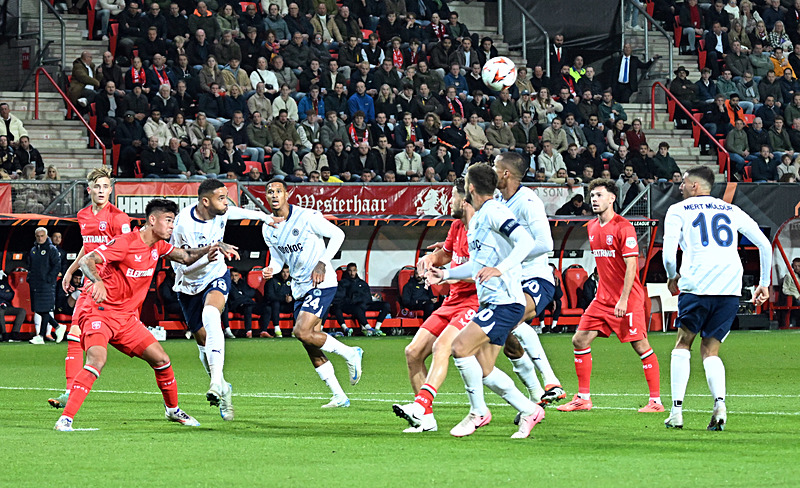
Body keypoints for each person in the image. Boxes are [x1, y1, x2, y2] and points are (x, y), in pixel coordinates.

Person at [53, 199, 235, 431]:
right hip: (100, 311)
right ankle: (65, 419)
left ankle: (172, 410)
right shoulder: (126, 243)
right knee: (97, 359)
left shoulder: (158, 246)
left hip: (126, 319)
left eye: (173, 221)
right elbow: (88, 260)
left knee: (162, 361)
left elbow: (186, 256)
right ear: (152, 220)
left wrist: (212, 247)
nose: (172, 226)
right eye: (168, 221)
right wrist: (97, 281)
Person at [424, 164, 545, 439]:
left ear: (471, 188)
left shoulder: (494, 211)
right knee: (486, 370)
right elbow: (477, 265)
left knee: (459, 347)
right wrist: (446, 274)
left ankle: (478, 411)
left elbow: (525, 241)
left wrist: (501, 269)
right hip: (491, 301)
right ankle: (529, 409)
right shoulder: (480, 218)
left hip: (506, 301)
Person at [662, 165, 772, 430]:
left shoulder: (678, 210)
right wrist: (764, 284)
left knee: (683, 344)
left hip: (697, 284)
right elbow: (764, 244)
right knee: (711, 350)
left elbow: (668, 253)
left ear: (695, 186)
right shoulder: (731, 210)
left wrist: (672, 275)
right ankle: (720, 405)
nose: (679, 187)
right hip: (729, 288)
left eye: (683, 182)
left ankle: (676, 412)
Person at [170, 179, 277, 421]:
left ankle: (216, 382)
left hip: (216, 275)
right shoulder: (183, 225)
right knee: (203, 344)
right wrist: (211, 251)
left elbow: (237, 212)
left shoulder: (222, 212)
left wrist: (264, 217)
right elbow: (182, 264)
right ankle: (224, 386)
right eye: (221, 198)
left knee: (211, 314)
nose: (226, 202)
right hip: (188, 284)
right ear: (205, 201)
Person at [557, 178, 664, 413]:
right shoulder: (593, 227)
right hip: (602, 300)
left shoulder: (623, 227)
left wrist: (623, 300)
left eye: (599, 195)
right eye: (592, 195)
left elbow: (631, 267)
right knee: (579, 340)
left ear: (612, 198)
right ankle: (583, 398)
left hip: (628, 299)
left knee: (641, 346)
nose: (594, 199)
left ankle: (656, 402)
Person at [261, 179, 363, 408]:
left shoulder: (306, 217)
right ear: (266, 197)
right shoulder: (267, 227)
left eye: (278, 191)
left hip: (322, 282)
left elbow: (338, 235)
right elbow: (278, 258)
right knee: (310, 343)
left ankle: (351, 353)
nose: (274, 195)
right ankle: (339, 395)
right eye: (270, 192)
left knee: (301, 331)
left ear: (287, 194)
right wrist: (272, 269)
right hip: (299, 287)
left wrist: (322, 262)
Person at [391, 178, 480, 433]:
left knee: (444, 346)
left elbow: (478, 269)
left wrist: (446, 273)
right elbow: (447, 254)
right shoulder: (456, 227)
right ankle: (425, 418)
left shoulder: (482, 230)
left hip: (475, 301)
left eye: (452, 196)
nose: (448, 201)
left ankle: (421, 403)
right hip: (452, 301)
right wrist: (431, 258)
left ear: (465, 200)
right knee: (413, 352)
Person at [48, 167, 132, 409]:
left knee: (133, 346)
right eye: (97, 186)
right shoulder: (83, 215)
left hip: (111, 285)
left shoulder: (119, 218)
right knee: (75, 334)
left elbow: (125, 251)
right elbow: (88, 247)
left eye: (106, 186)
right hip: (90, 281)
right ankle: (69, 391)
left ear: (111, 190)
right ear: (89, 189)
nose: (102, 190)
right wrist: (71, 270)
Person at [493, 152, 566, 412]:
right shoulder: (499, 199)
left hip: (535, 277)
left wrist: (512, 257)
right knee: (507, 335)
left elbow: (545, 243)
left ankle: (549, 382)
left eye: (495, 165)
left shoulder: (528, 202)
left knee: (508, 320)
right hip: (509, 280)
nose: (492, 169)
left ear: (506, 173)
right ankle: (540, 392)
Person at [27, 227, 64, 345]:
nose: (40, 238)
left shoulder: (51, 249)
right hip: (35, 283)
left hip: (46, 284)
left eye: (42, 236)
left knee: (43, 309)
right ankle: (56, 328)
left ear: (46, 236)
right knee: (39, 309)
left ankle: (43, 335)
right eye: (38, 236)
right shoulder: (33, 250)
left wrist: (49, 279)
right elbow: (30, 266)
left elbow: (57, 265)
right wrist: (29, 278)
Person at [332, 263, 391, 335]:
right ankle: (368, 328)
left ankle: (377, 328)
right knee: (358, 307)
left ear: (356, 270)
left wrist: (371, 299)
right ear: (347, 271)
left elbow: (368, 297)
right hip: (355, 305)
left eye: (353, 270)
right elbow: (342, 298)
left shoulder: (362, 283)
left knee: (386, 305)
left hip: (367, 304)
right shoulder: (343, 283)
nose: (352, 273)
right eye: (350, 271)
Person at [224, 268, 271, 338]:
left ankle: (263, 331)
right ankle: (248, 332)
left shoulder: (242, 283)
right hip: (237, 306)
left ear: (239, 276)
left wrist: (242, 294)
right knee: (248, 307)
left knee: (267, 308)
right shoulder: (229, 284)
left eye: (236, 275)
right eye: (232, 276)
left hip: (249, 303)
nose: (234, 277)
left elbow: (252, 292)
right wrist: (245, 295)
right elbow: (234, 296)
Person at [0, 269, 26, 342]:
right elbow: (7, 294)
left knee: (22, 311)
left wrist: (1, 293)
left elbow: (11, 295)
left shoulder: (3, 282)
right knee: (0, 311)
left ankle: (15, 333)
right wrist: (4, 293)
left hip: (7, 306)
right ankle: (4, 334)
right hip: (0, 308)